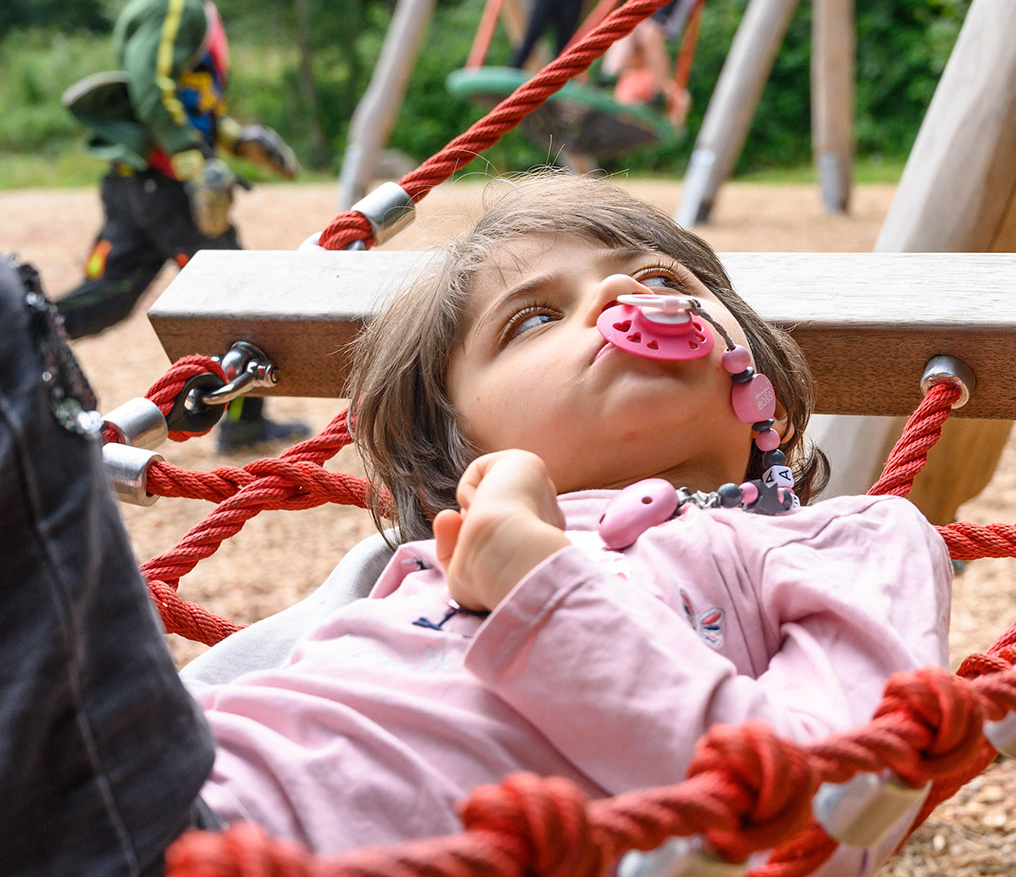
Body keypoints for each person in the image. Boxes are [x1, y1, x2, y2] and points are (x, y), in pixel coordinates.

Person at [1, 173, 954, 876]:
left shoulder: (850, 542)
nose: (624, 299)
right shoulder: (420, 558)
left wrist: (548, 587)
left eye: (661, 277)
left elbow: (833, 807)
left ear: (759, 377)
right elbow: (229, 691)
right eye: (534, 320)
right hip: (175, 807)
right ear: (457, 448)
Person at [55, 0, 307, 453]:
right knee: (237, 300)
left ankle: (20, 338)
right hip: (169, 188)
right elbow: (152, 88)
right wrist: (194, 165)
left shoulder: (170, 0)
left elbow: (184, 98)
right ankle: (241, 423)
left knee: (112, 295)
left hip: (139, 181)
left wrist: (237, 141)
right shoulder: (174, 4)